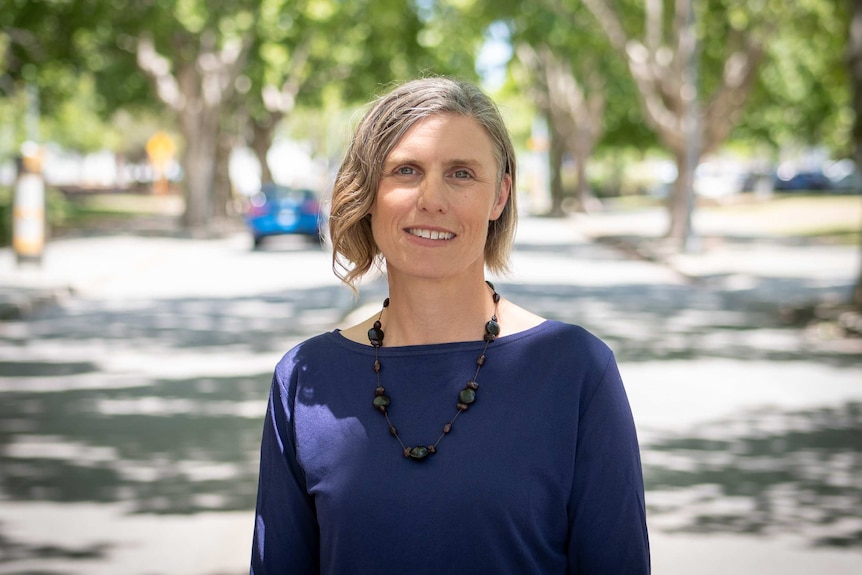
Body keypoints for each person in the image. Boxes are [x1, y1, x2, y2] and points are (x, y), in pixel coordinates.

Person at [250, 77, 650, 574]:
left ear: (499, 196)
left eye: (461, 173)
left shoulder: (575, 370)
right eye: (406, 170)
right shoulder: (305, 378)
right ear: (371, 192)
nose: (431, 198)